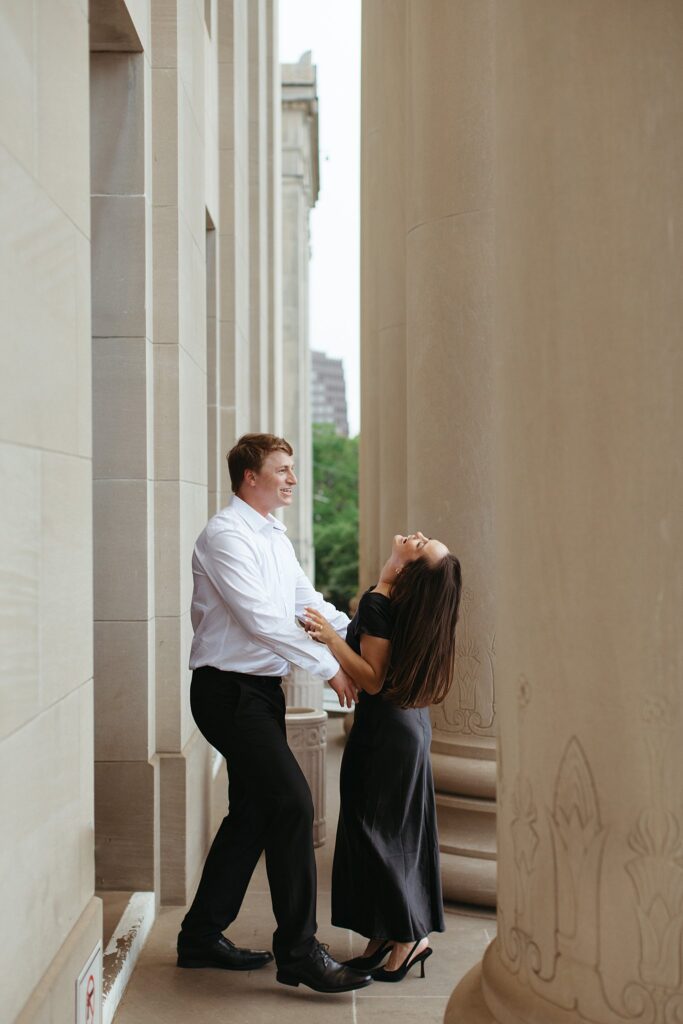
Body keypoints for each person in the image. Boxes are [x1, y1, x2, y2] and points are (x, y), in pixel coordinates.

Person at [176, 433, 372, 994]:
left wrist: (358, 635)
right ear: (249, 478)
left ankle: (200, 937)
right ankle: (299, 951)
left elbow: (305, 605)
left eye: (291, 469)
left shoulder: (273, 536)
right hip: (225, 694)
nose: (291, 478)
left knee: (254, 814)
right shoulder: (225, 535)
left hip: (259, 693)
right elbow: (263, 619)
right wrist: (330, 666)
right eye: (281, 469)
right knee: (292, 802)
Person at [303, 531, 462, 982]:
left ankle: (410, 938)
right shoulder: (403, 606)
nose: (420, 536)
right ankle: (387, 933)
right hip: (407, 728)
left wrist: (331, 638)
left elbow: (371, 681)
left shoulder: (380, 602)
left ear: (410, 571)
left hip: (386, 734)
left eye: (423, 546)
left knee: (377, 835)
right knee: (391, 831)